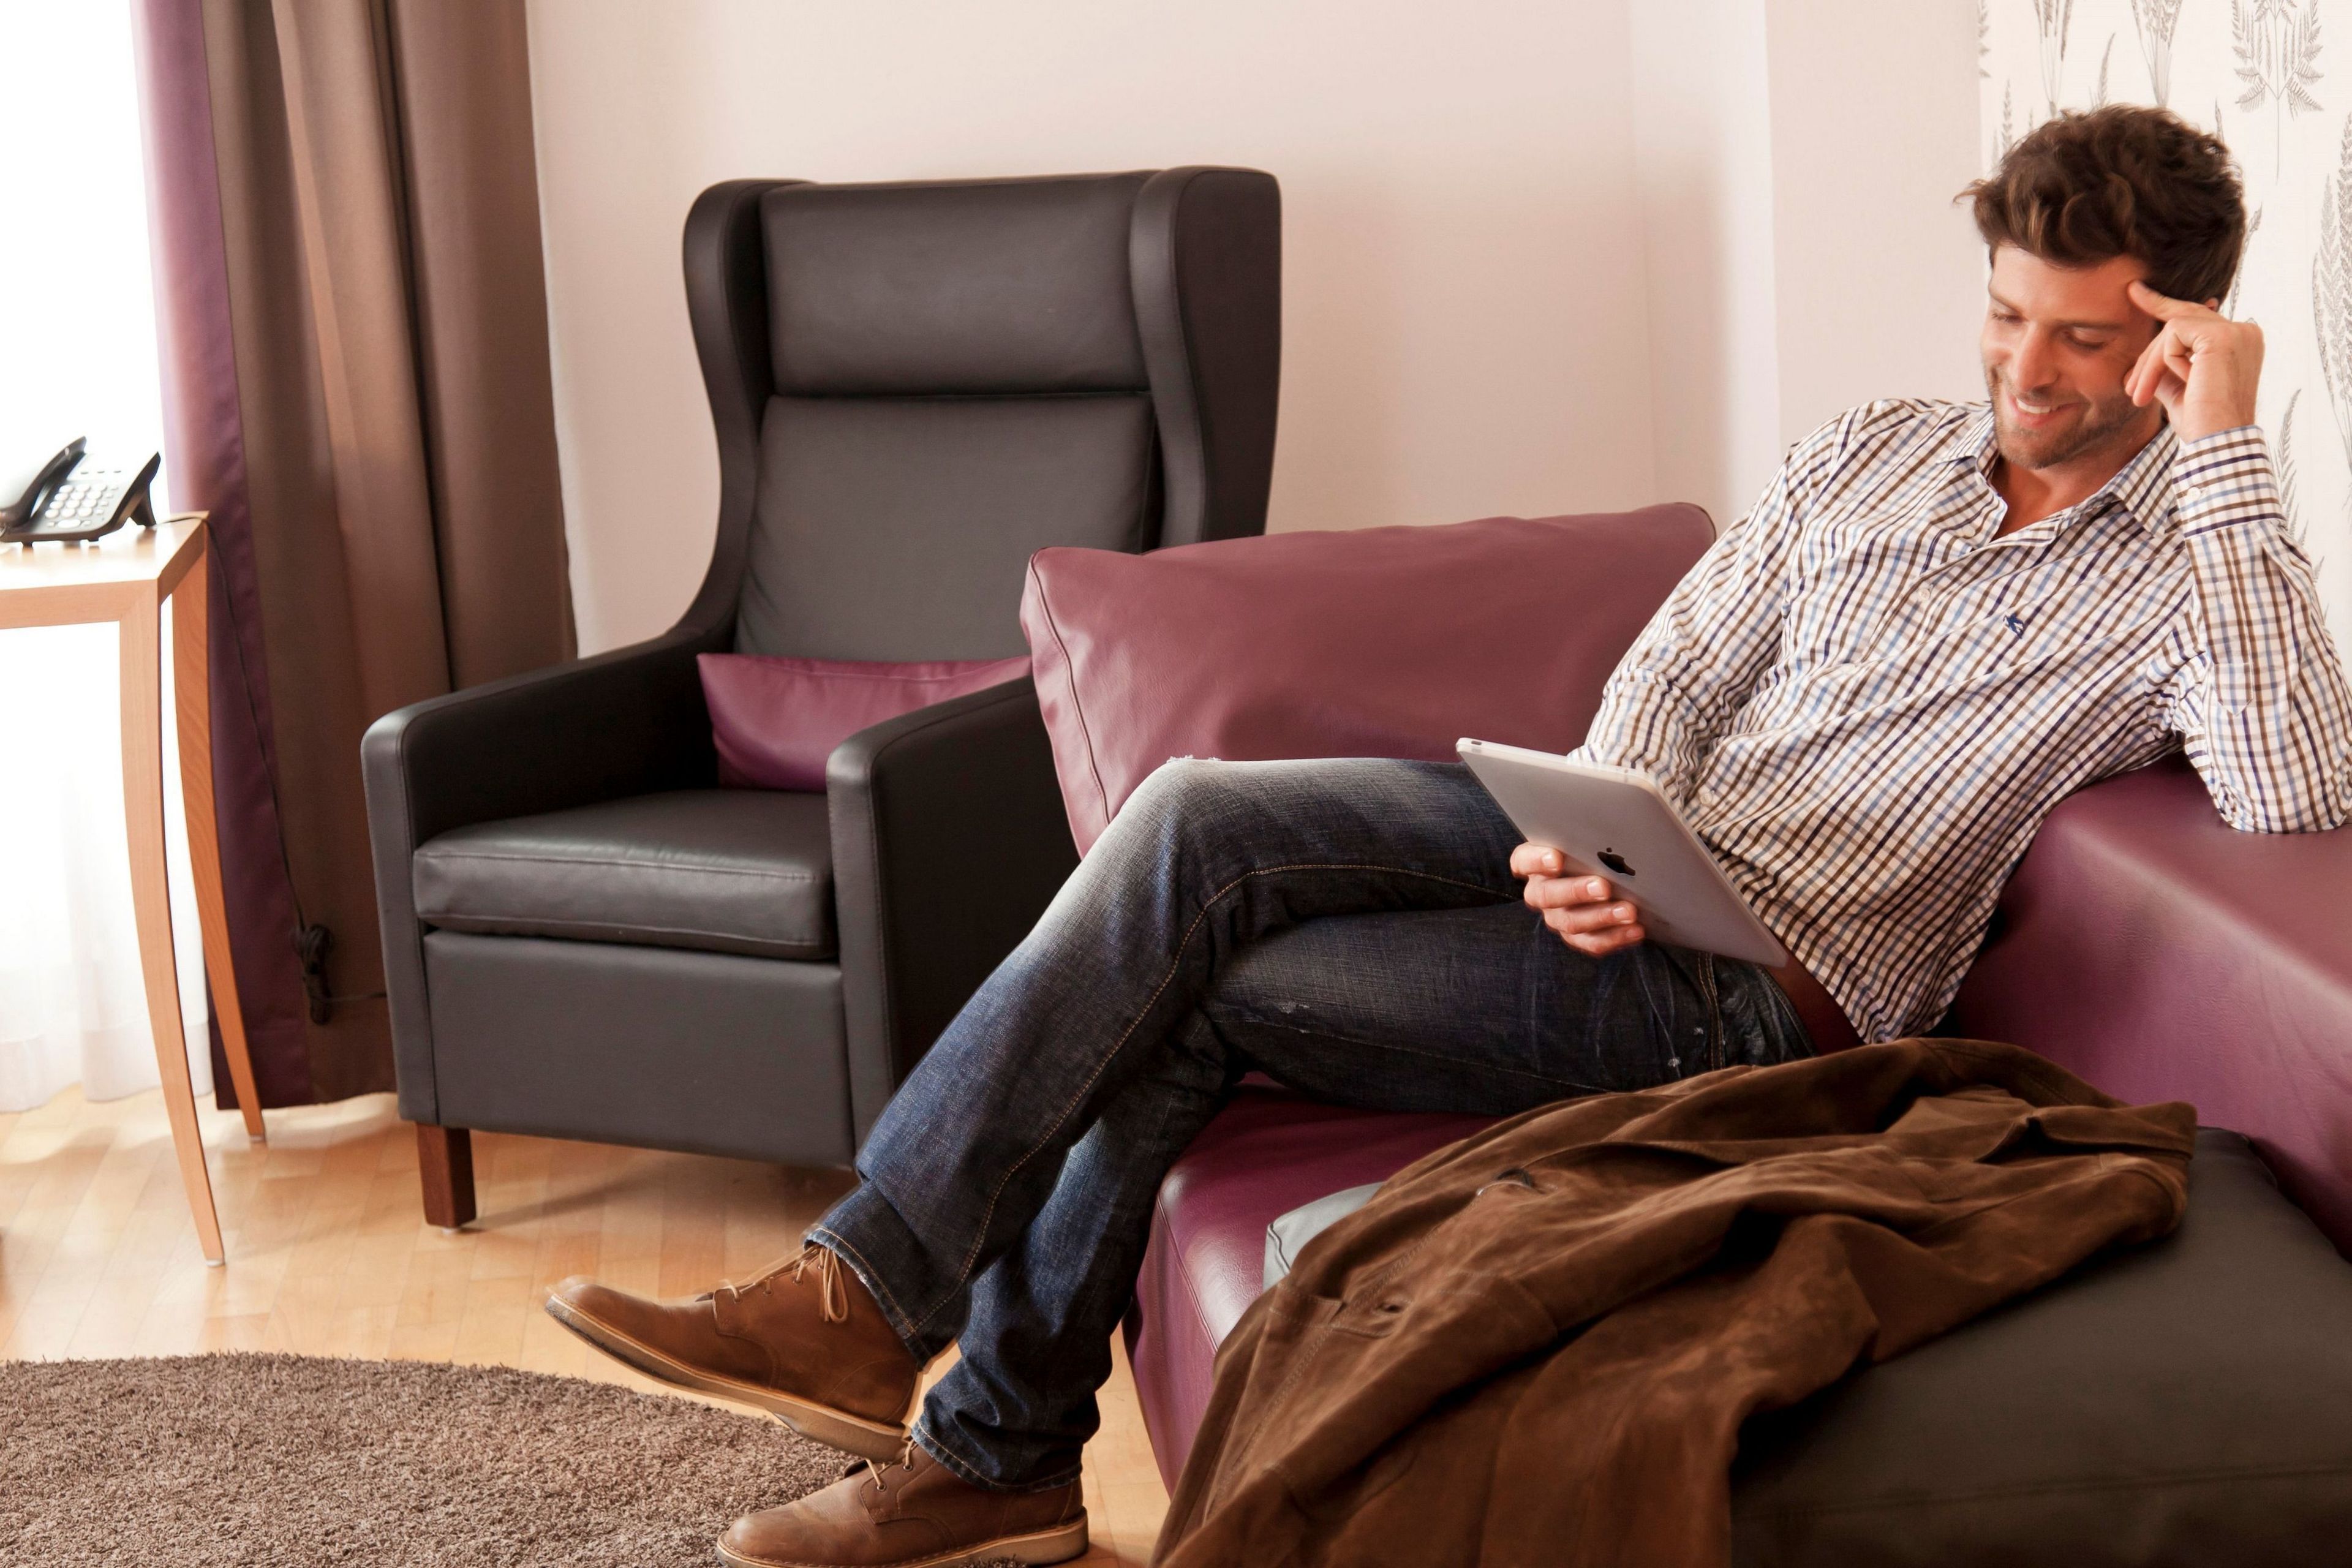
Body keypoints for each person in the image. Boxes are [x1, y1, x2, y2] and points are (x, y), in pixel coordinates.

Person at [548, 105, 2352, 1568]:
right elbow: (1683, 658)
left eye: (2084, 338)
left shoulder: (2199, 565)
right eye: (2004, 314)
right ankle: (874, 1296)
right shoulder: (1873, 454)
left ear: (2179, 339)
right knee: (1188, 822)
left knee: (1207, 993)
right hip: (1628, 844)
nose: (2022, 368)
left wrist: (2229, 451)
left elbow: (2291, 782)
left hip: (1754, 995)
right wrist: (1597, 828)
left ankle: (980, 1441)